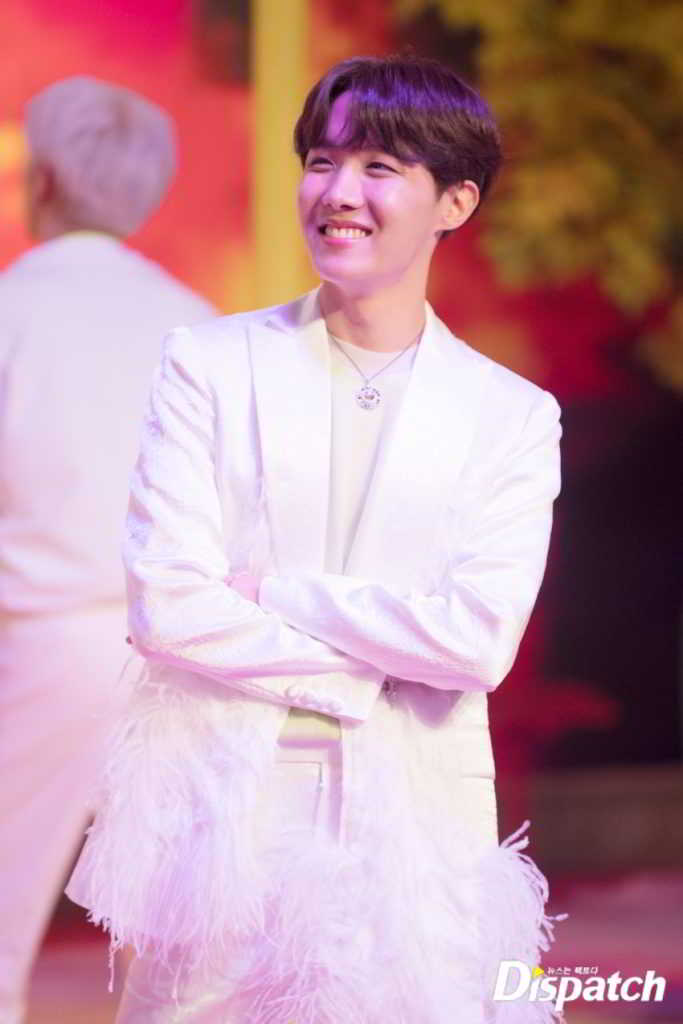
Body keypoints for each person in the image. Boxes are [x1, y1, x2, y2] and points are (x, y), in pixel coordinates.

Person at [68, 56, 564, 1023]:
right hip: (221, 824)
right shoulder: (210, 364)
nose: (337, 192)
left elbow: (474, 644)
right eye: (322, 160)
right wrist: (375, 672)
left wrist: (273, 592)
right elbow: (168, 605)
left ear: (454, 202)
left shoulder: (509, 415)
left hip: (414, 833)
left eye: (379, 168)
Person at [0, 76, 216, 1023]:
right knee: (181, 945)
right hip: (186, 653)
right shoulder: (201, 323)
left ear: (42, 177)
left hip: (40, 646)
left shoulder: (12, 310)